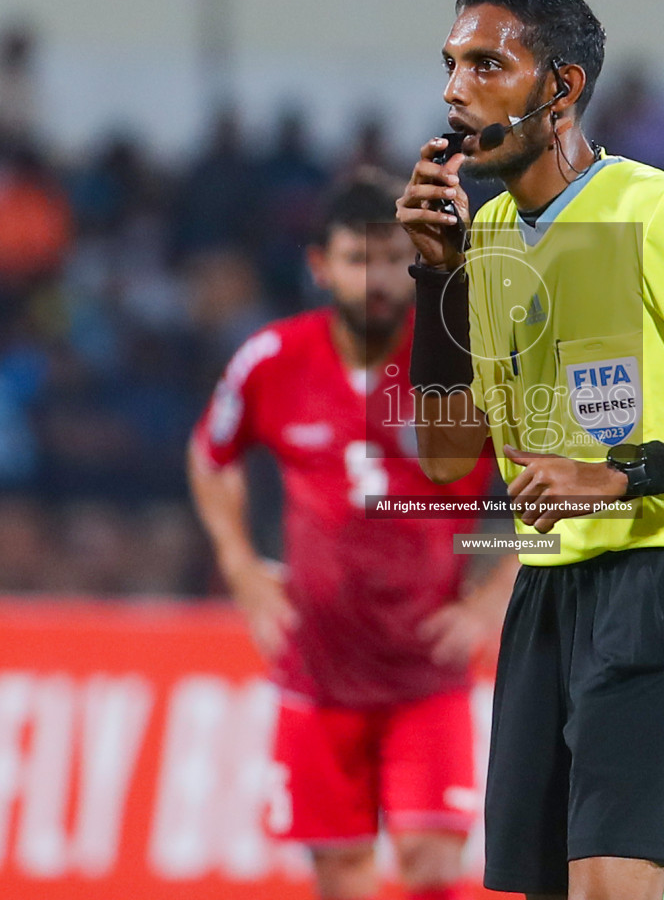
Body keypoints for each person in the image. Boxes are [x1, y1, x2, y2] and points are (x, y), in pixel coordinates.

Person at [396, 0, 664, 900]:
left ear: (561, 90)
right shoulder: (494, 233)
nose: (454, 89)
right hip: (548, 594)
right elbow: (446, 456)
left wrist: (622, 474)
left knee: (607, 891)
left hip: (662, 578)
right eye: (451, 65)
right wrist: (436, 280)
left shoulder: (659, 215)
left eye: (485, 64)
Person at [188, 173, 512, 900]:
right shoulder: (272, 360)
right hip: (318, 670)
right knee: (341, 872)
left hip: (423, 668)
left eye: (393, 258)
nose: (376, 279)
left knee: (432, 860)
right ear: (320, 266)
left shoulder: (462, 365)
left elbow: (552, 476)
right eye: (356, 260)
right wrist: (240, 566)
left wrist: (497, 591)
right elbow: (211, 459)